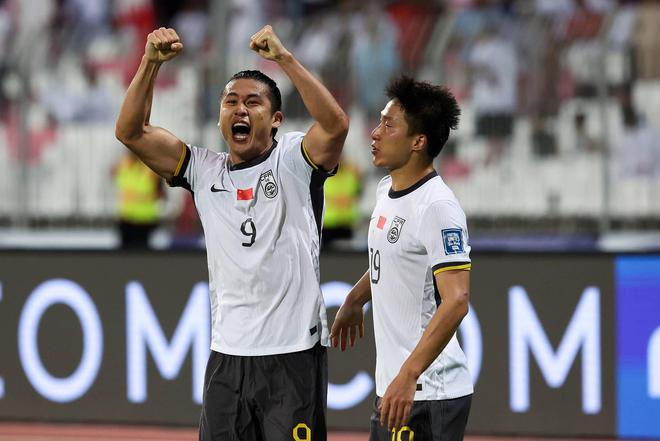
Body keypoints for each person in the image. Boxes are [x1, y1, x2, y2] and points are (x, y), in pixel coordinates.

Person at [115, 25, 349, 441]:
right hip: (228, 356)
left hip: (293, 355)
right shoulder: (204, 171)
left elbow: (334, 126)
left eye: (253, 102)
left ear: (276, 120)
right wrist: (149, 63)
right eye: (230, 101)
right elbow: (130, 132)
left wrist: (284, 58)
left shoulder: (293, 161)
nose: (240, 109)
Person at [331, 76, 473, 440]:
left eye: (388, 125)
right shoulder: (386, 190)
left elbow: (457, 300)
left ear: (418, 142)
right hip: (396, 388)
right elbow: (392, 260)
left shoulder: (437, 206)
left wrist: (409, 374)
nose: (375, 133)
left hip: (428, 392)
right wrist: (355, 299)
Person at [113, 150, 163, 248]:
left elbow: (161, 193)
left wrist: (145, 198)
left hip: (145, 221)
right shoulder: (123, 166)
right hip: (126, 219)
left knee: (141, 252)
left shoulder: (151, 169)